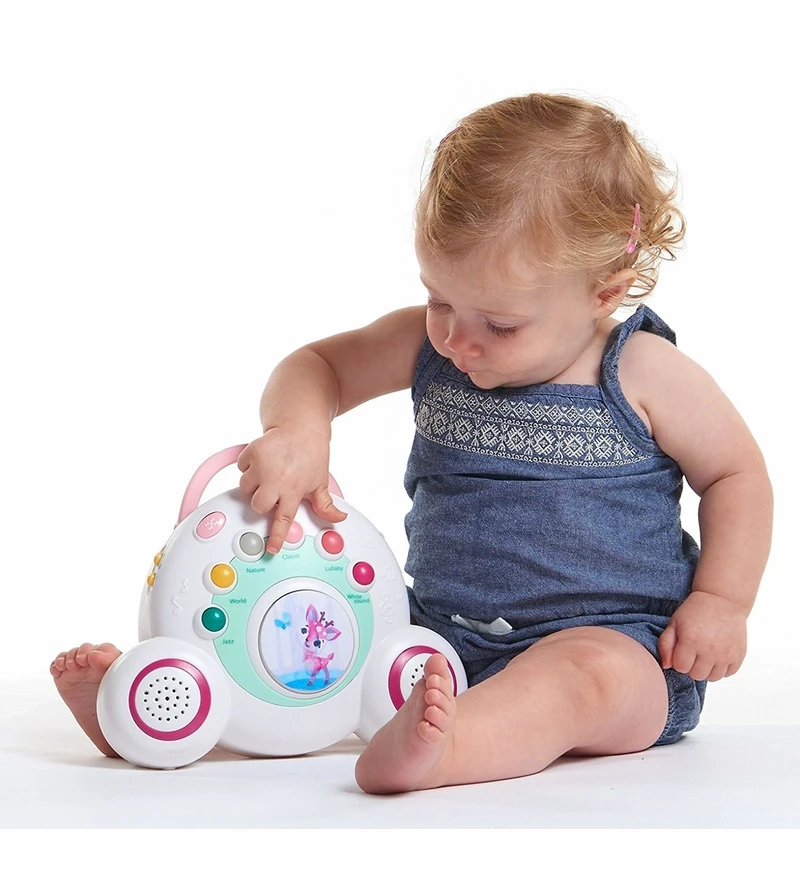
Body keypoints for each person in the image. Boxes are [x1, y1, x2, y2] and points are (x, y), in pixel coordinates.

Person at [51, 93, 772, 794]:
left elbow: (736, 475)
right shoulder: (434, 350)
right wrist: (299, 430)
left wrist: (722, 600)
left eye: (499, 324)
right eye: (438, 299)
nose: (457, 337)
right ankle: (160, 715)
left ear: (605, 292)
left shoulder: (644, 371)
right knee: (309, 632)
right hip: (430, 636)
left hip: (618, 644)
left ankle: (449, 747)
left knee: (584, 682)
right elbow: (317, 365)